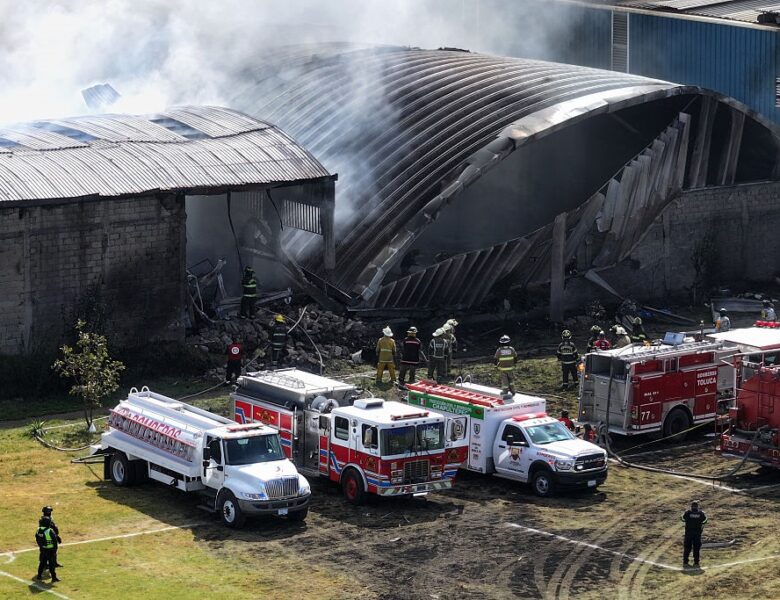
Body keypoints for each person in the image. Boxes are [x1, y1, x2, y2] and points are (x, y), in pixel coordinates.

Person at [681, 500, 708, 568]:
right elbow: (705, 521)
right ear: (697, 507)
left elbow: (682, 519)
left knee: (687, 548)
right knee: (696, 549)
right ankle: (696, 563)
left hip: (688, 533)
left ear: (691, 506)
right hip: (697, 534)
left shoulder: (688, 513)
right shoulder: (701, 514)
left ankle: (685, 562)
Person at [36, 516, 60, 582]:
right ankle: (54, 578)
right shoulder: (50, 531)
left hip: (43, 549)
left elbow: (37, 539)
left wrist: (41, 546)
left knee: (42, 563)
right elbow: (55, 540)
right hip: (51, 550)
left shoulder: (39, 530)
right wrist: (55, 549)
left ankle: (39, 576)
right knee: (51, 565)